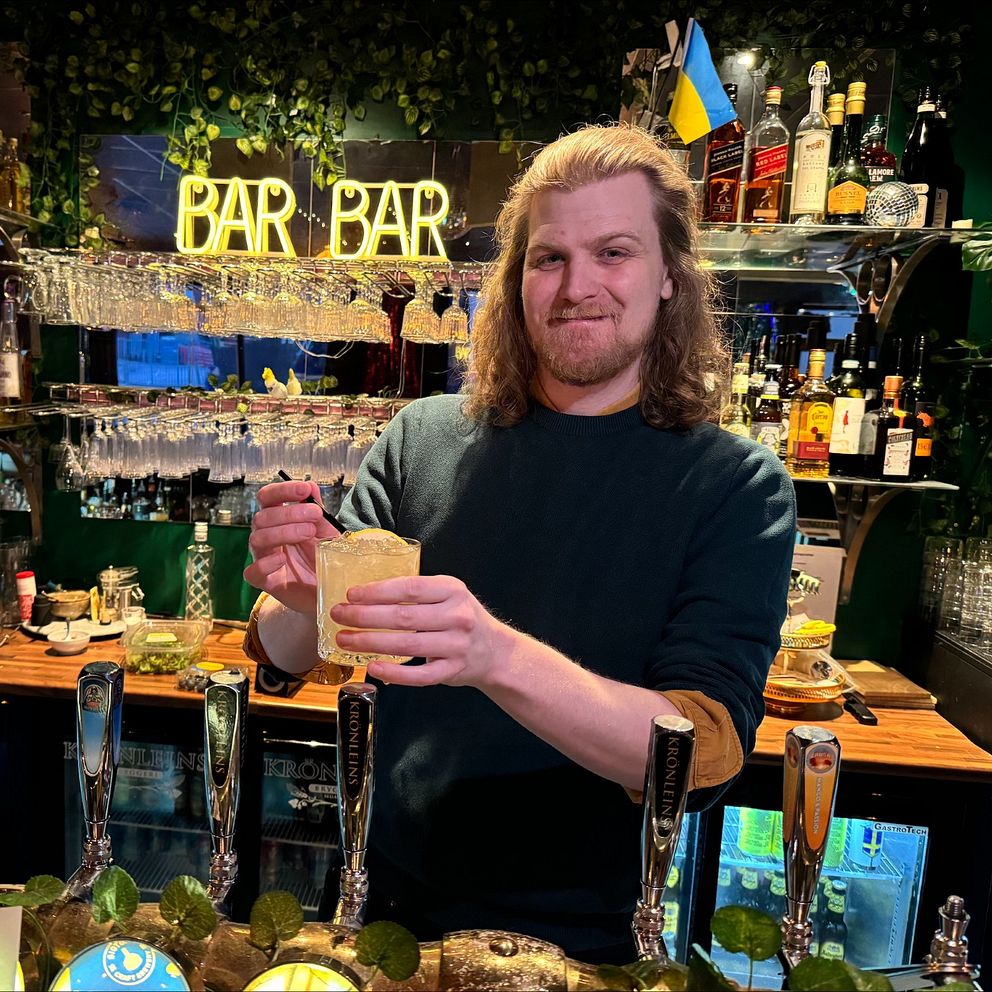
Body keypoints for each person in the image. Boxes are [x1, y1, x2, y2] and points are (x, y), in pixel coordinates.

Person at [244, 123, 796, 962]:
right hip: (378, 908)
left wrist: (493, 655)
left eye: (614, 253)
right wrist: (300, 596)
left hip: (579, 944)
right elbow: (289, 650)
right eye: (549, 259)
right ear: (516, 282)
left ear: (670, 278)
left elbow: (702, 751)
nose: (577, 286)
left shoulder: (735, 487)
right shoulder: (422, 437)